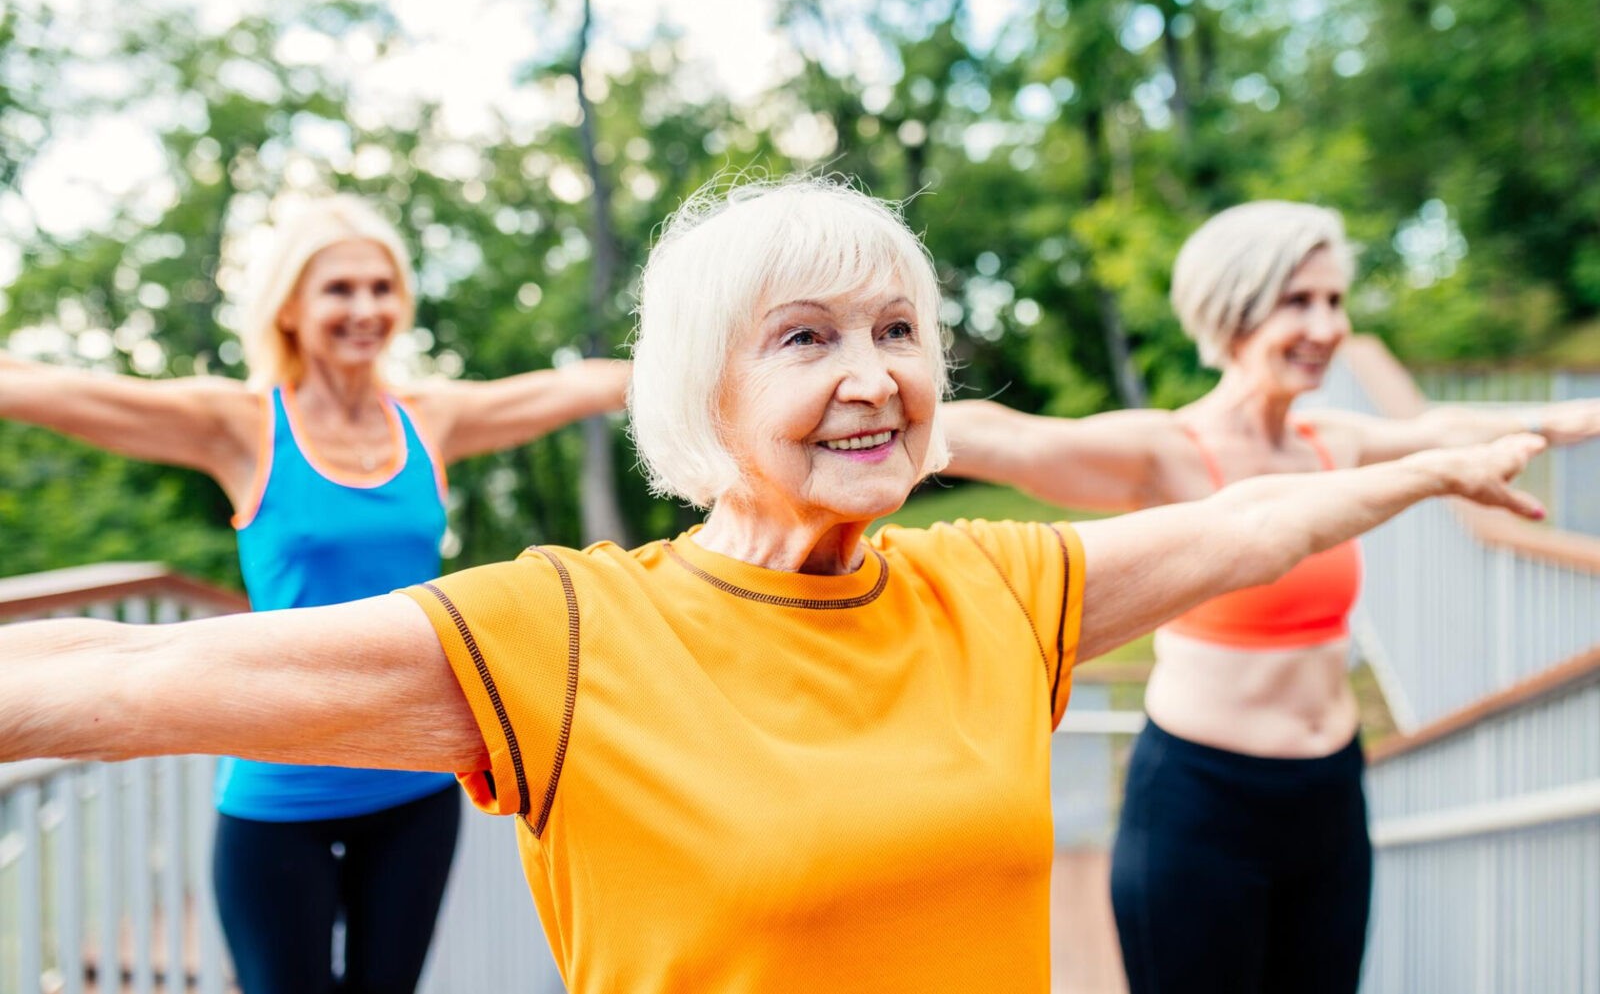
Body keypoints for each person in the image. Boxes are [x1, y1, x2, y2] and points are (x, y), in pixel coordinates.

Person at [0, 179, 1552, 994]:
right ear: (701, 394)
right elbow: (109, 684)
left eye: (898, 331)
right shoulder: (563, 634)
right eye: (804, 339)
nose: (874, 376)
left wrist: (1423, 468)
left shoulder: (994, 592)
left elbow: (1246, 531)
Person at [939, 200, 1600, 994]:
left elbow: (1442, 427)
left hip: (1329, 795)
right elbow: (1013, 438)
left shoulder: (1335, 441)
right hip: (1201, 804)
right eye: (1299, 301)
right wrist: (864, 414)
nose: (1327, 326)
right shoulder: (1166, 452)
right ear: (1235, 309)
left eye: (1333, 300)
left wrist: (1560, 419)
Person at [0, 193, 629, 994]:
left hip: (414, 787)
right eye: (340, 289)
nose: (366, 308)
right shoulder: (241, 423)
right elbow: (50, 388)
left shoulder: (428, 418)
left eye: (382, 287)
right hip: (279, 790)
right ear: (291, 308)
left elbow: (580, 386)